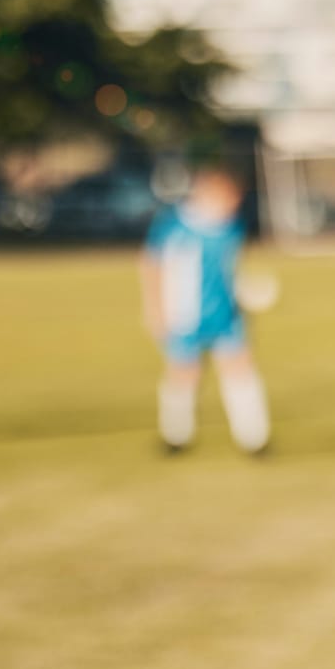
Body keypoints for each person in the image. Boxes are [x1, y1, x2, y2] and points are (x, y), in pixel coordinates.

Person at [141, 166, 270, 456]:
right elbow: (152, 267)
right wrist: (155, 310)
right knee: (184, 374)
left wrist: (245, 295)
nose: (232, 205)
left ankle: (255, 439)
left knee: (241, 370)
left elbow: (231, 269)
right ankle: (176, 437)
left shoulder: (232, 228)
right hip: (185, 316)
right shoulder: (174, 226)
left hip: (226, 315)